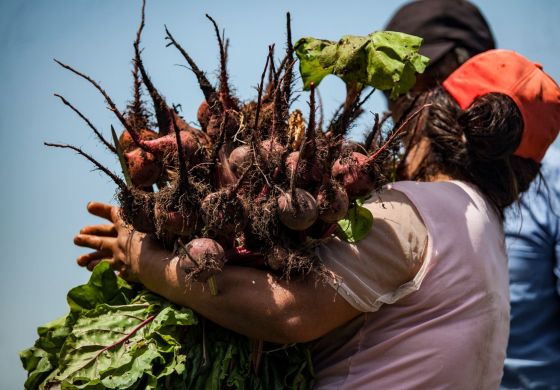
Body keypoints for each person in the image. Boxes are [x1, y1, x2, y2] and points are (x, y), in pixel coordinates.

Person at [74, 49, 560, 388]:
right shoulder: (489, 238)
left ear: (430, 122)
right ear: (522, 175)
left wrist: (142, 259)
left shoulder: (418, 213)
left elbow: (288, 311)